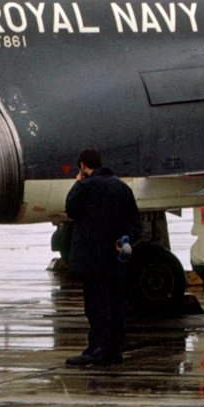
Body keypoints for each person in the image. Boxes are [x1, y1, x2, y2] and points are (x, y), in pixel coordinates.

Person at [63, 148, 140, 367]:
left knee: (97, 306)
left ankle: (97, 349)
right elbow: (134, 222)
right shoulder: (121, 187)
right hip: (115, 258)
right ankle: (114, 350)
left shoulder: (86, 187)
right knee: (115, 305)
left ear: (83, 167)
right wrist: (124, 240)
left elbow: (71, 210)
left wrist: (78, 183)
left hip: (92, 258)